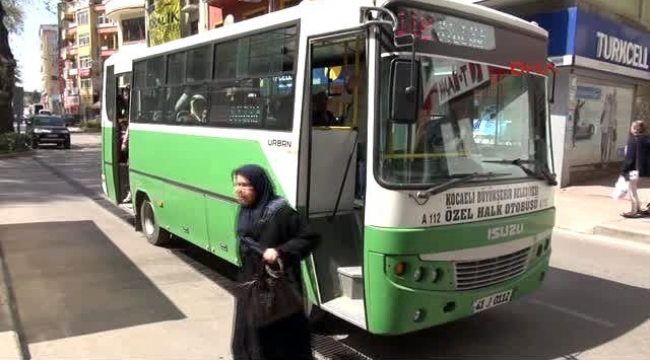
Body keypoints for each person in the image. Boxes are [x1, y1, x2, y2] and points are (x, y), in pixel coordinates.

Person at [231, 164, 320, 360]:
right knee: (248, 338)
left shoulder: (281, 212)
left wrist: (280, 252)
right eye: (237, 184)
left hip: (277, 289)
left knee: (279, 344)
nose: (238, 189)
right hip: (251, 286)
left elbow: (310, 237)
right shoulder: (246, 210)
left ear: (259, 186)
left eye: (245, 185)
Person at [621, 120, 650, 218]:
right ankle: (638, 208)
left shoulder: (632, 140)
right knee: (634, 189)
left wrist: (625, 170)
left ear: (635, 129)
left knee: (631, 189)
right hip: (643, 170)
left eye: (632, 127)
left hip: (634, 169)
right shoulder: (647, 139)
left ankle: (634, 211)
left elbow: (630, 156)